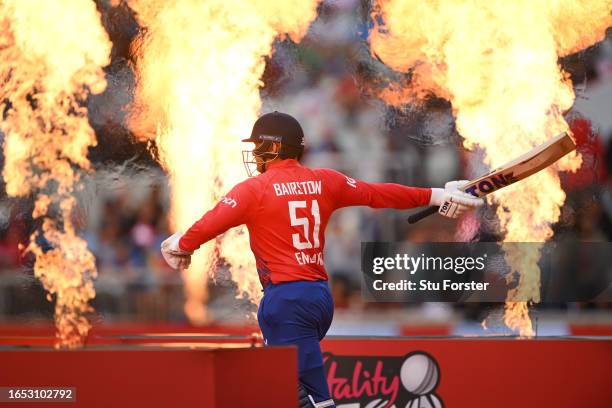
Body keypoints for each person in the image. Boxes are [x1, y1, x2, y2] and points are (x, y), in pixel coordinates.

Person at [161, 111, 483, 408]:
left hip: (287, 301)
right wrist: (437, 194)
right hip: (318, 297)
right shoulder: (325, 180)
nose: (255, 153)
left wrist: (182, 245)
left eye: (259, 146)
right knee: (294, 392)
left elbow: (214, 220)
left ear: (273, 148)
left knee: (311, 399)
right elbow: (379, 193)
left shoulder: (255, 189)